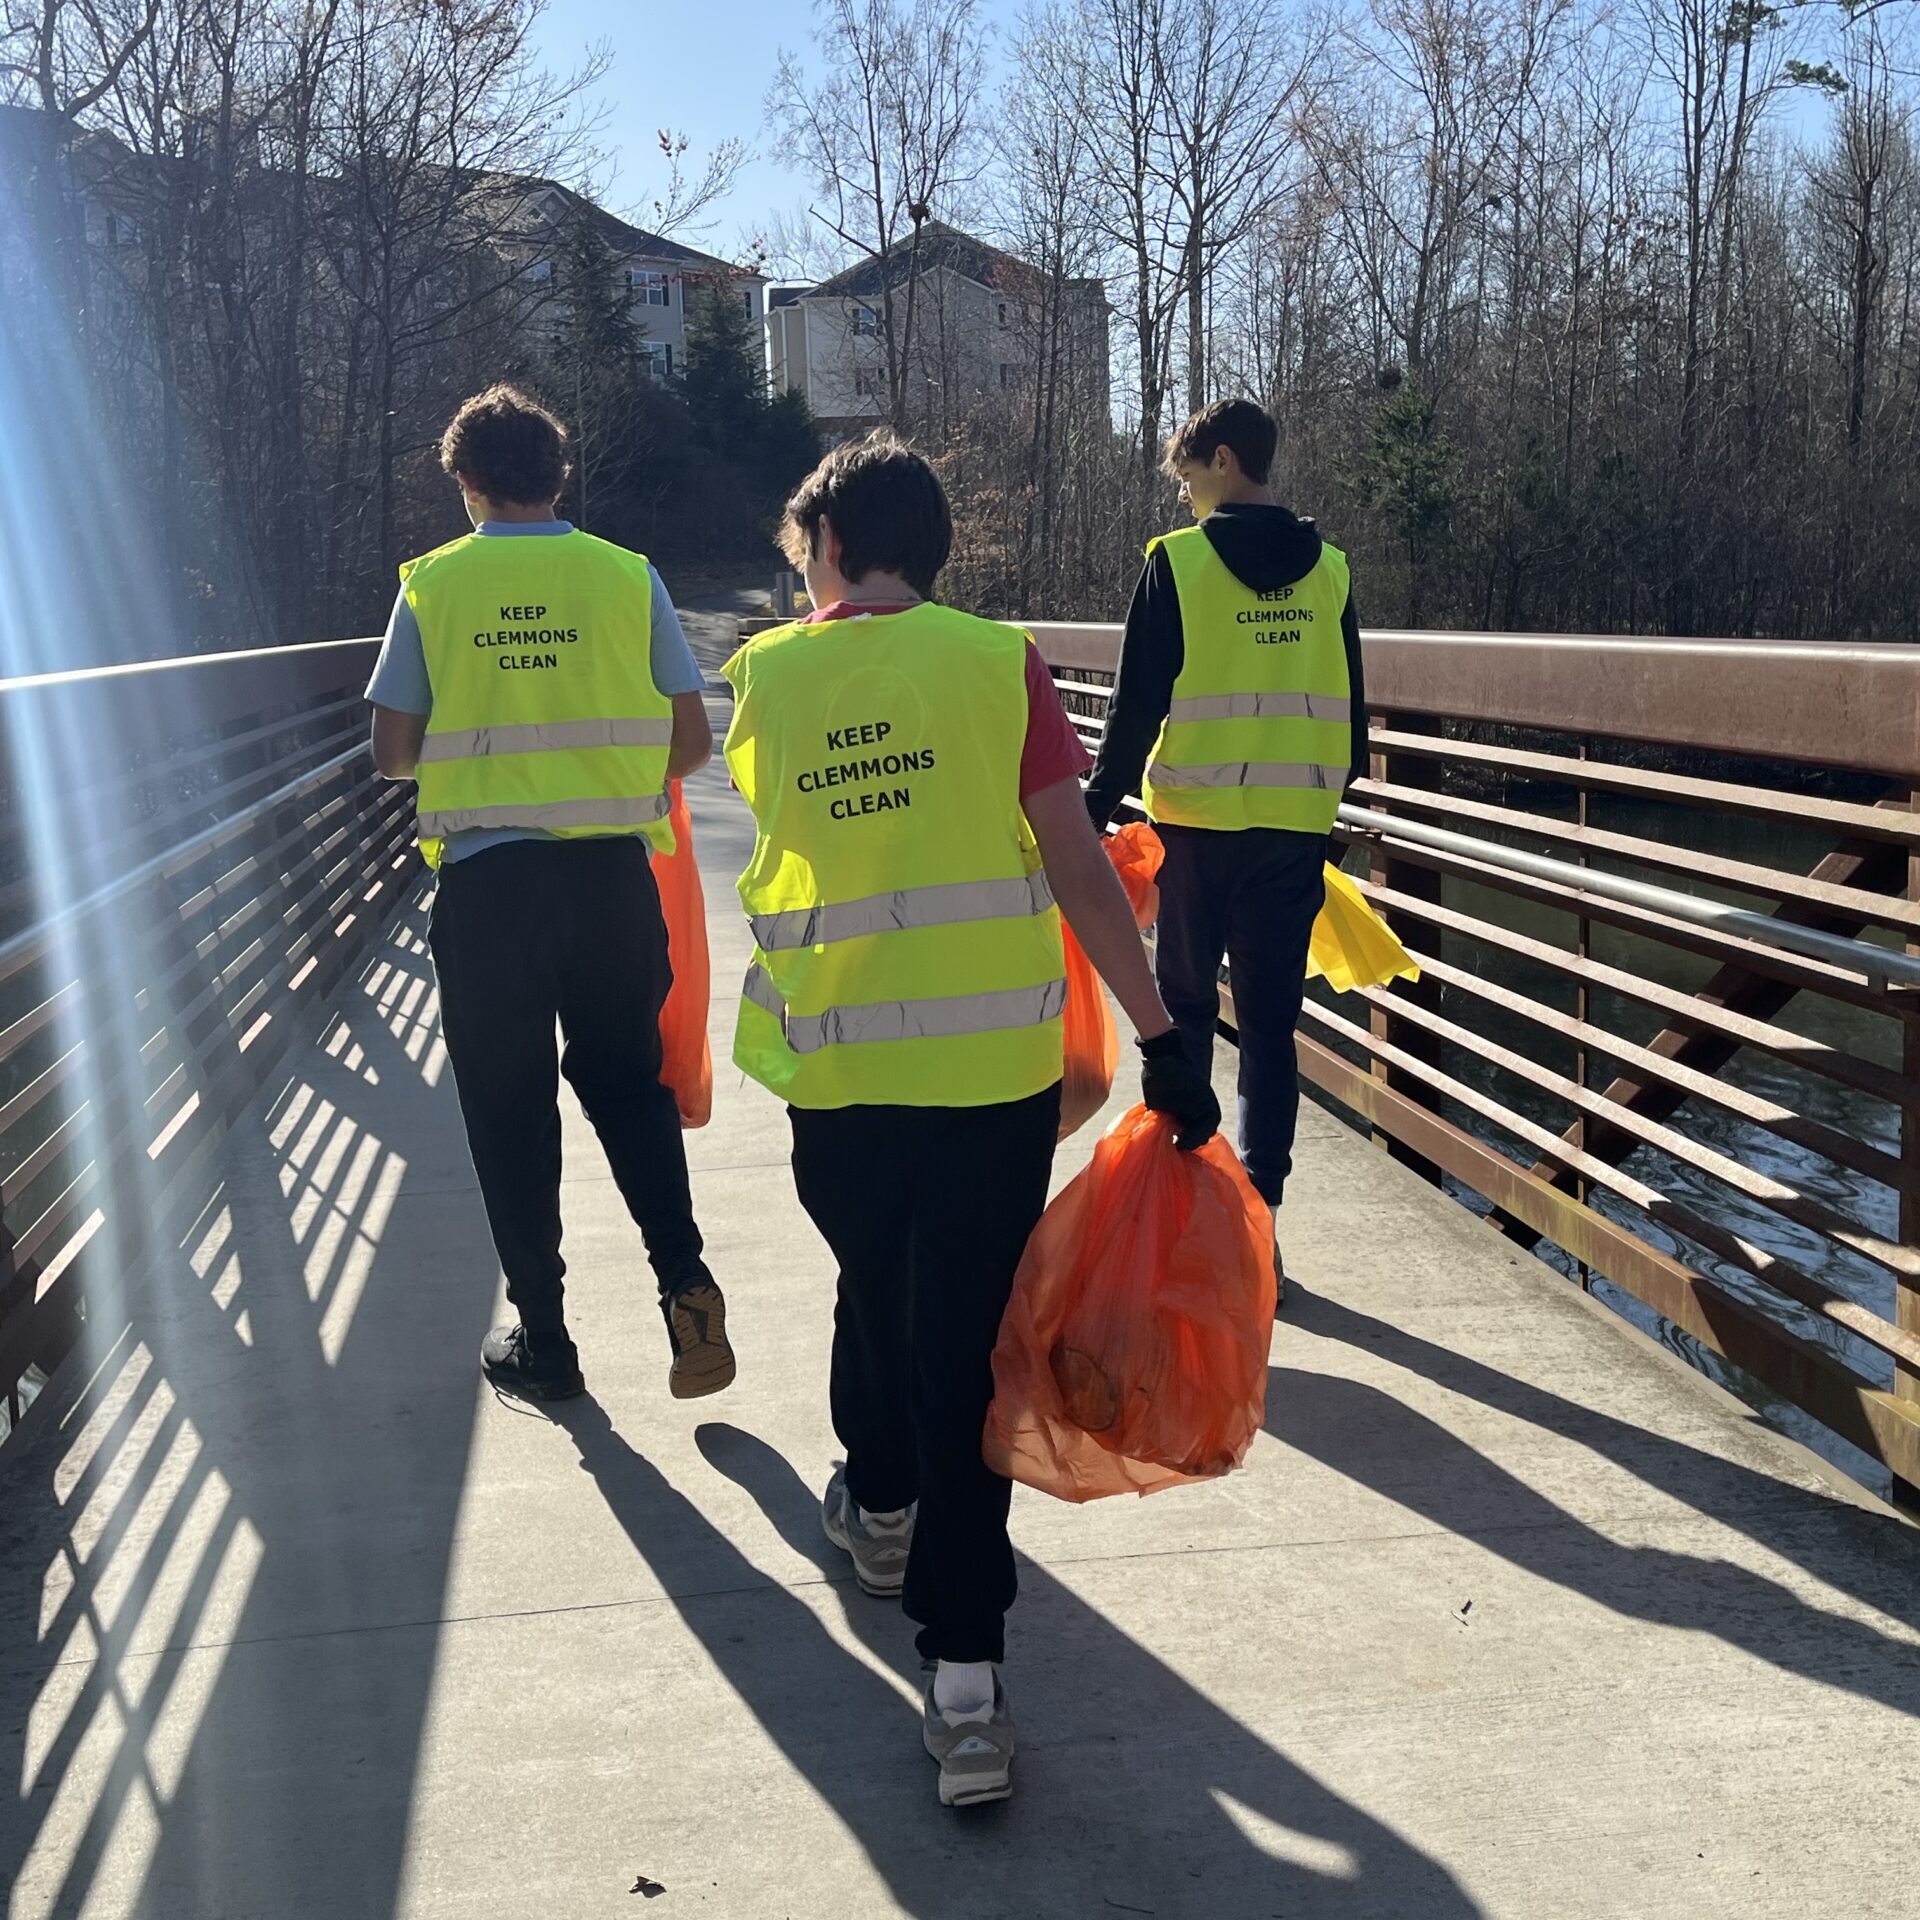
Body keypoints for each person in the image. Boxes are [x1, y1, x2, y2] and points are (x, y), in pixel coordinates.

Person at [722, 431, 1219, 1809]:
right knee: (958, 1354)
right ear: (932, 551)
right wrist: (1166, 1037)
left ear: (824, 551)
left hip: (838, 1073)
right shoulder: (1002, 668)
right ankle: (963, 1685)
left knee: (883, 1302)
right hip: (992, 1080)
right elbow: (1075, 860)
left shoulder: (765, 678)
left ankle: (891, 1528)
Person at [366, 384, 734, 1405]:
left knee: (509, 1109)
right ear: (558, 475)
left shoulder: (435, 585)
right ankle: (684, 1279)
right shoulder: (626, 576)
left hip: (491, 892)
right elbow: (691, 743)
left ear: (468, 483)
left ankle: (546, 1338)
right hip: (613, 883)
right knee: (629, 1085)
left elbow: (392, 753)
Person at [1083, 398, 1367, 1304]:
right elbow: (1352, 718)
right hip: (1291, 831)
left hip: (1197, 829)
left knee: (1185, 1019)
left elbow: (1137, 703)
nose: (1183, 497)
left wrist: (1095, 804)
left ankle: (1188, 1225)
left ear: (1224, 459)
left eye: (1187, 476)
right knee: (1273, 1031)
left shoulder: (1181, 566)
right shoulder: (1329, 570)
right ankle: (1260, 1234)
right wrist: (1324, 809)